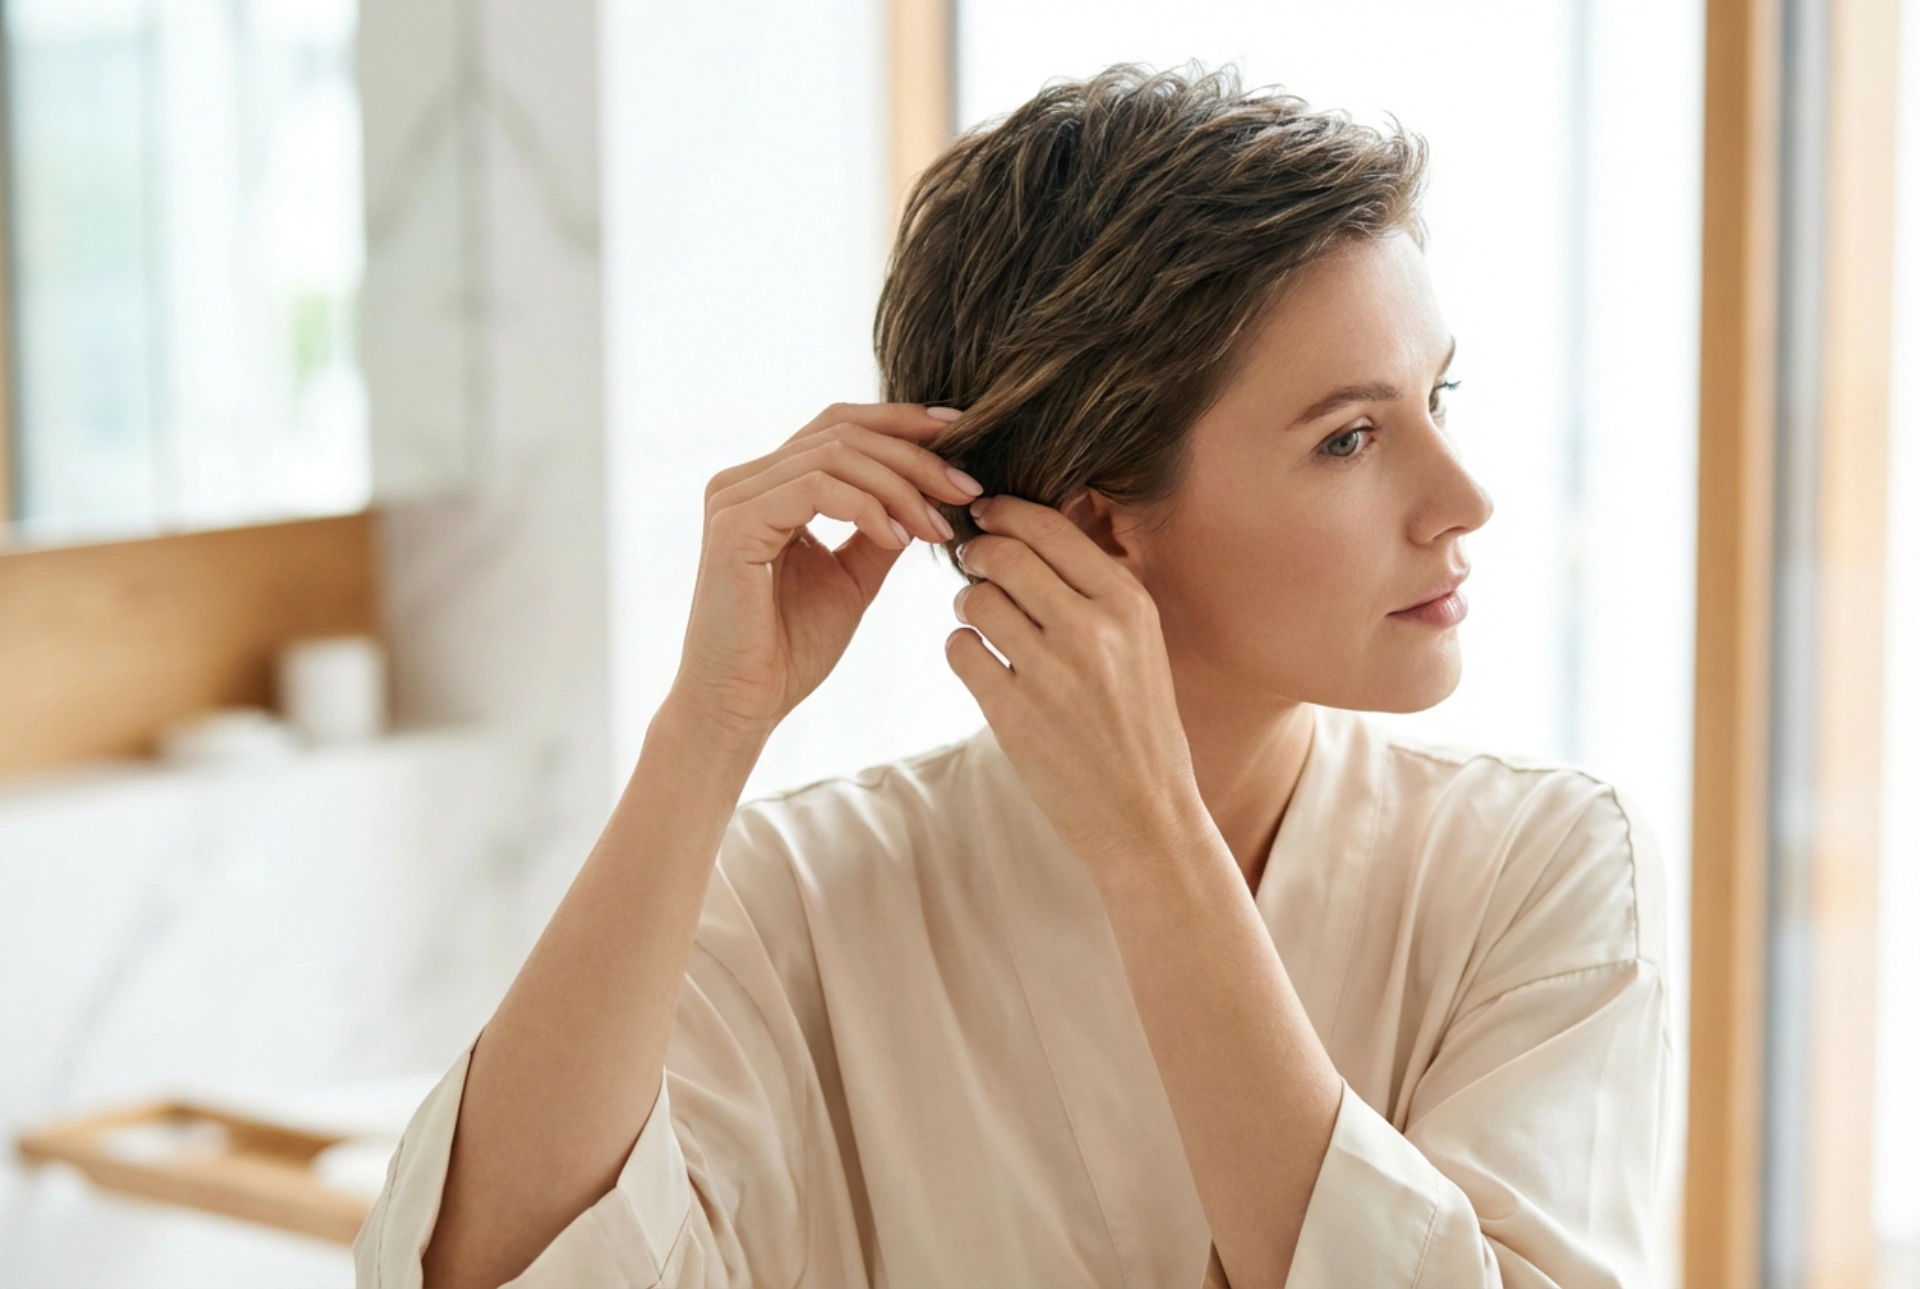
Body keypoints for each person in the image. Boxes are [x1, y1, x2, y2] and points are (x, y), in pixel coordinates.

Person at [357, 63, 1672, 1289]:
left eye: (1441, 400)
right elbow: (483, 1266)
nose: (1465, 499)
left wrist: (1155, 852)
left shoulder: (1540, 866)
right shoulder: (799, 898)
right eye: (1349, 438)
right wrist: (707, 729)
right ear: (1096, 525)